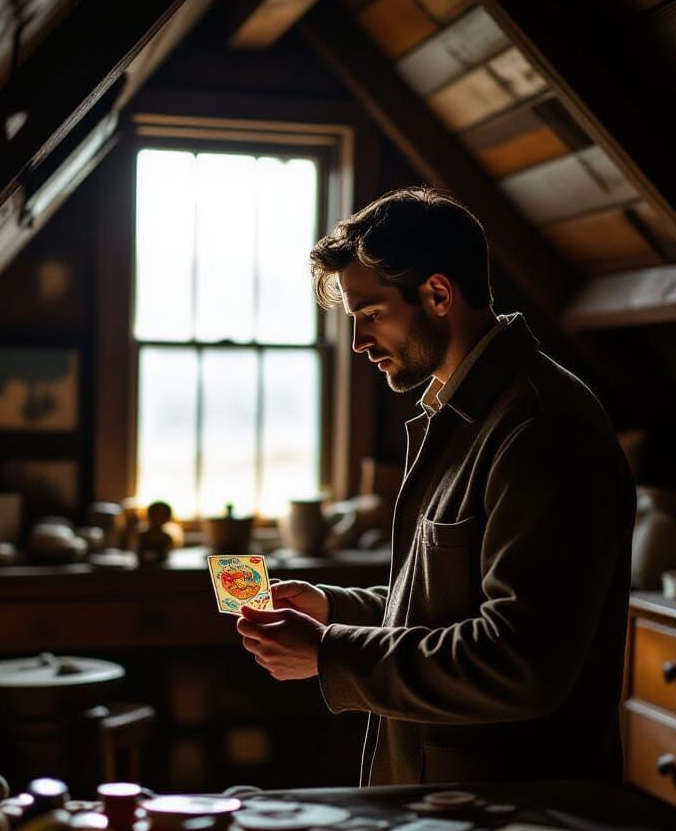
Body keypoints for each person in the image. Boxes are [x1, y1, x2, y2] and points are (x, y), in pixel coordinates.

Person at [237, 187, 635, 786]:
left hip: (512, 809)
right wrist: (334, 611)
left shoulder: (540, 427)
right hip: (447, 802)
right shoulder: (461, 413)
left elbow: (518, 661)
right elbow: (446, 607)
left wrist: (330, 652)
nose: (358, 342)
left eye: (371, 314)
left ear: (438, 295)